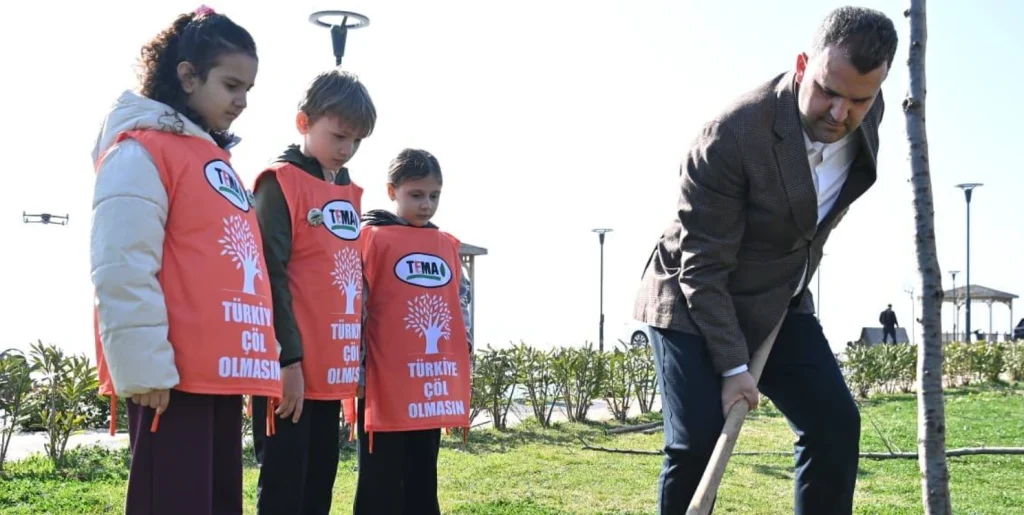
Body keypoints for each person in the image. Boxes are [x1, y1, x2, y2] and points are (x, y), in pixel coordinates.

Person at [631, 7, 897, 514]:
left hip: (779, 298)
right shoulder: (732, 135)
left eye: (858, 100)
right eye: (827, 91)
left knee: (834, 423)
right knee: (699, 442)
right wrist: (734, 366)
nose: (839, 113)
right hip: (693, 298)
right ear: (802, 64)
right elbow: (703, 265)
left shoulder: (868, 113)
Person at [90, 6, 280, 515]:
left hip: (217, 376)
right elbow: (121, 265)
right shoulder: (139, 152)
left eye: (249, 90)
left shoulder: (212, 160)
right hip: (168, 384)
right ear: (188, 75)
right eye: (231, 85)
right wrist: (147, 371)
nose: (242, 101)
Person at [249, 69, 377, 515]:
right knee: (285, 488)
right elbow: (270, 275)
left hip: (333, 372)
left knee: (320, 486)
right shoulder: (278, 181)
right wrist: (288, 360)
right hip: (291, 372)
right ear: (304, 122)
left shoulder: (346, 189)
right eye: (339, 136)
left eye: (357, 141)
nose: (347, 149)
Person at [353, 149, 473, 515]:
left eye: (434, 195)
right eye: (416, 195)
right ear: (393, 191)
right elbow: (356, 308)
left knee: (423, 476)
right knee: (380, 482)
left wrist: (463, 353)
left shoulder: (446, 245)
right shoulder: (370, 239)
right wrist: (357, 371)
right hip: (382, 387)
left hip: (428, 386)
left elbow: (460, 305)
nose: (426, 205)